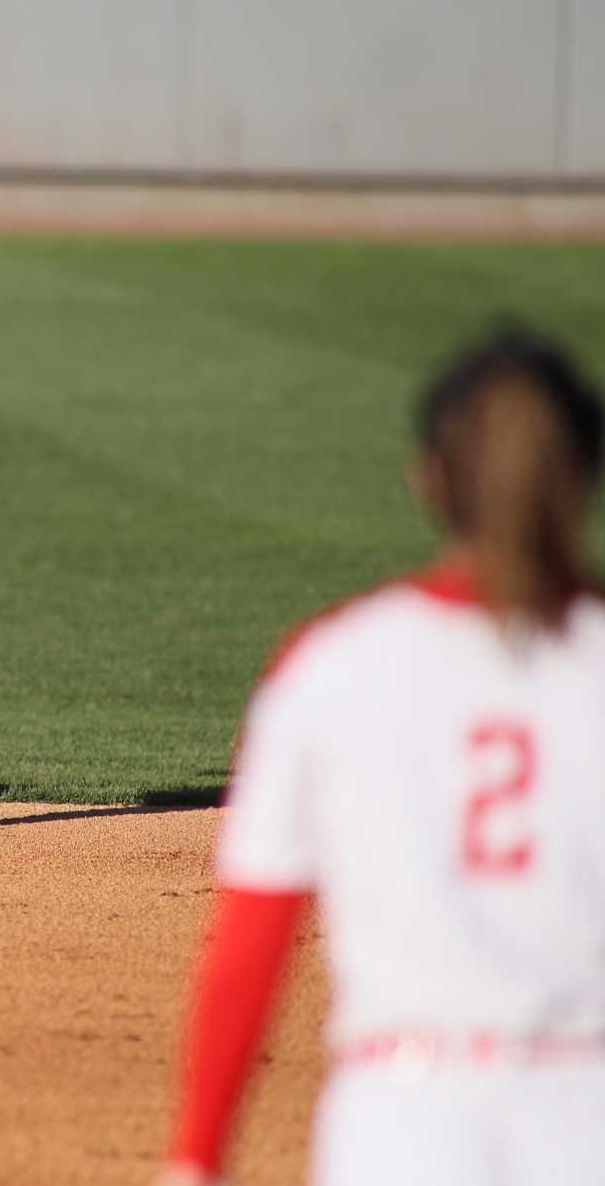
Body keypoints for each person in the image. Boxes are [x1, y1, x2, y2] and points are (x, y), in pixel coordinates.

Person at [158, 327, 605, 1184]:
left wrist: (194, 1160)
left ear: (429, 476)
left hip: (403, 1121)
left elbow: (249, 946)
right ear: (583, 473)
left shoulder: (333, 663)